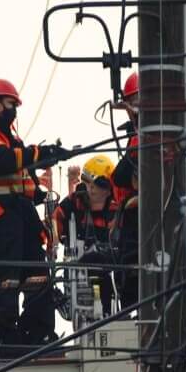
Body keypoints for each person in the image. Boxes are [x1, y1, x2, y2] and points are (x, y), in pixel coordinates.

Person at [0, 78, 69, 351]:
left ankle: (37, 333)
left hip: (20, 213)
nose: (13, 111)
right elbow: (0, 162)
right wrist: (39, 153)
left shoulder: (11, 139)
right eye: (10, 104)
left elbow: (24, 177)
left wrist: (42, 182)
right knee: (6, 275)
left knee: (36, 272)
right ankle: (4, 338)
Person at [52, 155, 120, 312]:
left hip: (107, 269)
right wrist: (53, 241)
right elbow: (55, 220)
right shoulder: (73, 203)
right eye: (87, 182)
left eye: (96, 184)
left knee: (107, 304)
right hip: (77, 267)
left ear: (107, 188)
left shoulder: (116, 210)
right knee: (73, 308)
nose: (91, 188)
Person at [109, 72, 141, 310]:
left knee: (136, 275)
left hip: (144, 217)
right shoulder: (136, 137)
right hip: (131, 216)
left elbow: (120, 175)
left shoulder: (149, 136)